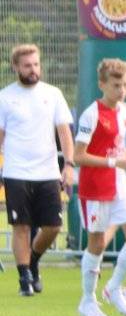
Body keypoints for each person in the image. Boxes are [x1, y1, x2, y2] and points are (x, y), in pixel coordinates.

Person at [70, 57, 126, 316]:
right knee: (98, 243)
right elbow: (78, 156)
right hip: (95, 187)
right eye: (116, 85)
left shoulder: (123, 112)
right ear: (102, 84)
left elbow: (116, 146)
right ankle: (87, 300)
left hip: (118, 183)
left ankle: (114, 288)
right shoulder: (91, 114)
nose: (121, 90)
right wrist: (115, 161)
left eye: (124, 85)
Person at [0, 43, 75, 296]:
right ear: (16, 67)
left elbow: (64, 133)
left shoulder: (53, 94)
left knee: (53, 226)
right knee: (20, 226)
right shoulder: (5, 97)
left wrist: (69, 165)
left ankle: (33, 261)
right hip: (16, 172)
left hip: (48, 172)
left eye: (36, 64)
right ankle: (24, 279)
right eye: (27, 66)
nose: (33, 69)